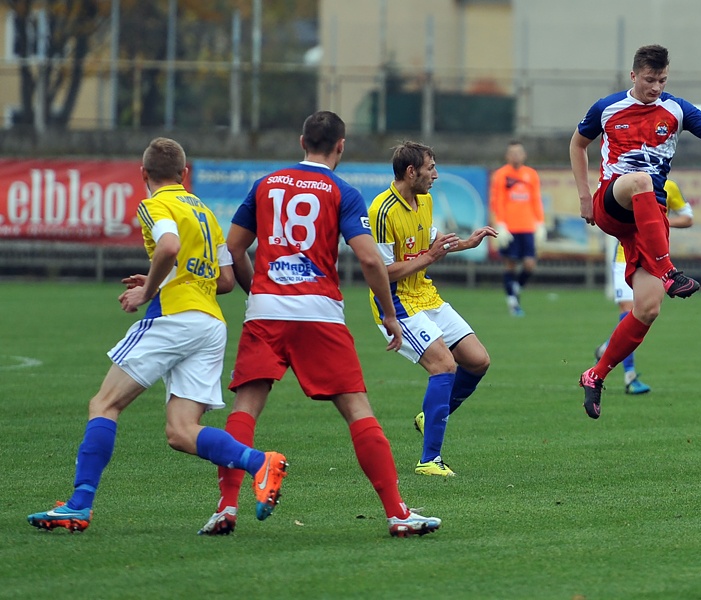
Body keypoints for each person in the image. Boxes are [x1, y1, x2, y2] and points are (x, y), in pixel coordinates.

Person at [199, 112, 441, 538]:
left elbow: (232, 248)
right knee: (356, 411)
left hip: (266, 311)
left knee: (245, 408)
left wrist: (255, 292)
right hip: (318, 313)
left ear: (301, 141)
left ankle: (226, 506)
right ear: (341, 146)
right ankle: (398, 513)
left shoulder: (265, 184)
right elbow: (369, 259)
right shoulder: (340, 191)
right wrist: (388, 313)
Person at [27, 137, 287, 533]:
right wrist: (158, 278)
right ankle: (260, 463)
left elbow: (168, 245)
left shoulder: (154, 204)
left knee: (104, 404)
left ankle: (79, 505)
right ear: (185, 173)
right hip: (210, 324)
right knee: (181, 432)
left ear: (143, 174)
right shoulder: (203, 210)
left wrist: (147, 291)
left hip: (174, 318)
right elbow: (226, 279)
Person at [570, 44, 701, 420]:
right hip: (613, 202)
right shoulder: (607, 107)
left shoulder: (677, 109)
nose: (655, 87)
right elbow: (578, 143)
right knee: (639, 181)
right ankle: (670, 272)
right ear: (633, 76)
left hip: (649, 220)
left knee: (647, 309)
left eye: (662, 80)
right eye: (649, 80)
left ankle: (595, 374)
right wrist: (585, 195)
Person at [368, 141, 497, 477]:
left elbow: (429, 238)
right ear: (411, 172)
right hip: (396, 303)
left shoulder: (422, 200)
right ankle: (429, 461)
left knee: (478, 360)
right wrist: (429, 258)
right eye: (431, 168)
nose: (436, 175)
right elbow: (379, 272)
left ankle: (431, 415)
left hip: (425, 295)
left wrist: (465, 243)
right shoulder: (382, 211)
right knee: (443, 365)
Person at [594, 179, 694, 395]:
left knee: (643, 314)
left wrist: (661, 220)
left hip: (651, 261)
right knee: (627, 312)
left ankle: (607, 349)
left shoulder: (669, 186)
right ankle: (629, 377)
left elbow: (688, 217)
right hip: (623, 256)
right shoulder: (626, 181)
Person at [489, 140, 545, 317]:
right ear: (507, 156)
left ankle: (515, 288)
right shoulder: (500, 175)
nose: (516, 156)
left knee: (530, 264)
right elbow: (496, 200)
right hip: (509, 227)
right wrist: (500, 223)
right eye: (512, 153)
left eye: (518, 152)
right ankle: (512, 302)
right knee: (510, 264)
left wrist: (540, 222)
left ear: (524, 155)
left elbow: (536, 199)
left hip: (528, 226)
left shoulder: (531, 174)